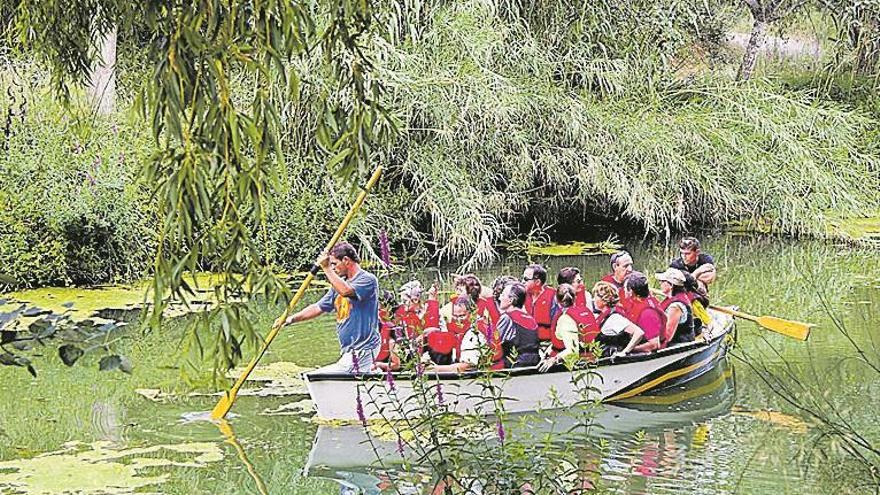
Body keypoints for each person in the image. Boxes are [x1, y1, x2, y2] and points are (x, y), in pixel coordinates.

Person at [284, 241, 380, 372]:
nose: (333, 268)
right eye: (331, 265)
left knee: (316, 377)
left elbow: (346, 291)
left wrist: (326, 268)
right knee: (358, 384)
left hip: (363, 347)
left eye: (334, 264)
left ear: (346, 260)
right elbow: (318, 307)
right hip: (349, 350)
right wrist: (290, 319)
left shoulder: (367, 280)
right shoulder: (339, 284)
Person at [539, 284, 600, 372]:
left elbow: (572, 351)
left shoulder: (565, 320)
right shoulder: (585, 311)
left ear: (557, 301)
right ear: (575, 298)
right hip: (591, 356)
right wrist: (547, 352)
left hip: (575, 363)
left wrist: (553, 360)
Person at [430, 298, 488, 373]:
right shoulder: (458, 329)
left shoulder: (474, 332)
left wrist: (436, 369)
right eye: (455, 316)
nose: (458, 320)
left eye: (462, 316)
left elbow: (467, 366)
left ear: (471, 314)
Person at [591, 281, 644, 358]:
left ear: (604, 300)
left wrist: (624, 352)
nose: (593, 300)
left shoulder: (614, 318)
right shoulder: (599, 316)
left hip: (614, 359)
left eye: (595, 297)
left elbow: (639, 333)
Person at [496, 282, 541, 368]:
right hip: (534, 361)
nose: (499, 297)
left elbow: (494, 342)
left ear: (511, 300)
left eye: (503, 295)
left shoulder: (507, 317)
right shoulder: (531, 318)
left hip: (514, 363)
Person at [624, 272, 666, 353]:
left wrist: (629, 349)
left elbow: (654, 345)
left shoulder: (648, 314)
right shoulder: (638, 301)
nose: (624, 290)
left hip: (649, 354)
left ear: (631, 292)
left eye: (625, 288)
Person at [655, 268, 696, 345]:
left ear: (671, 285)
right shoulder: (676, 297)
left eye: (663, 281)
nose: (660, 283)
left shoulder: (676, 306)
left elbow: (667, 336)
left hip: (678, 344)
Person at [522, 264, 557, 341]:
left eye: (526, 279)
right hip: (527, 342)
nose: (522, 282)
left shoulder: (553, 297)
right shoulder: (522, 295)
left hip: (548, 342)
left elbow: (558, 325)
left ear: (537, 282)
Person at [373, 290, 402, 372]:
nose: (377, 312)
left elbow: (396, 365)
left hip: (388, 368)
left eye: (379, 308)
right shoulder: (376, 326)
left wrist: (378, 365)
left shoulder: (393, 332)